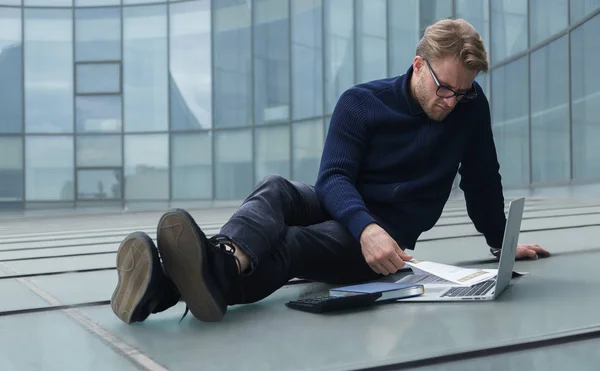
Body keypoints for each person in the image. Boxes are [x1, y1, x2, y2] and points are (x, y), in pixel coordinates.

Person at [110, 18, 550, 325]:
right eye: (445, 88)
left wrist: (499, 241)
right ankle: (217, 265)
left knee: (291, 244)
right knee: (276, 188)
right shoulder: (360, 102)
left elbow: (481, 179)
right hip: (349, 211)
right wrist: (364, 227)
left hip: (389, 238)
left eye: (463, 91)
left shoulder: (469, 108)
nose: (452, 101)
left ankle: (168, 284)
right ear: (419, 65)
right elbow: (333, 180)